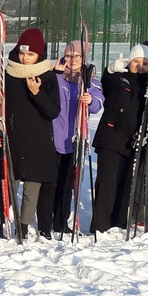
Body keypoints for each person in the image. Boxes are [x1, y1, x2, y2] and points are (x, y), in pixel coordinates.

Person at [90, 45, 148, 234]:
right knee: (107, 181)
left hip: (135, 140)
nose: (140, 66)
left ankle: (121, 220)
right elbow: (106, 85)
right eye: (136, 62)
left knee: (127, 181)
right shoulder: (119, 78)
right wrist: (110, 70)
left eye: (145, 63)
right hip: (111, 137)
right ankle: (100, 225)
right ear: (129, 62)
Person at [0, 27, 60, 240]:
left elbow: (52, 111)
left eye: (30, 54)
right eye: (22, 53)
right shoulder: (8, 74)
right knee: (8, 184)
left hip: (38, 140)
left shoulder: (48, 76)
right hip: (13, 137)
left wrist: (37, 93)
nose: (25, 58)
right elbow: (1, 107)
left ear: (39, 55)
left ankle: (23, 227)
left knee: (32, 188)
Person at [42, 40, 104, 237]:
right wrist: (55, 74)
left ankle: (61, 222)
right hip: (53, 137)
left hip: (75, 138)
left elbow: (97, 105)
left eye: (77, 56)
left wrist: (91, 100)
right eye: (69, 56)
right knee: (50, 183)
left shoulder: (90, 79)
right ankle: (46, 222)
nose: (73, 60)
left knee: (67, 185)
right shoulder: (56, 74)